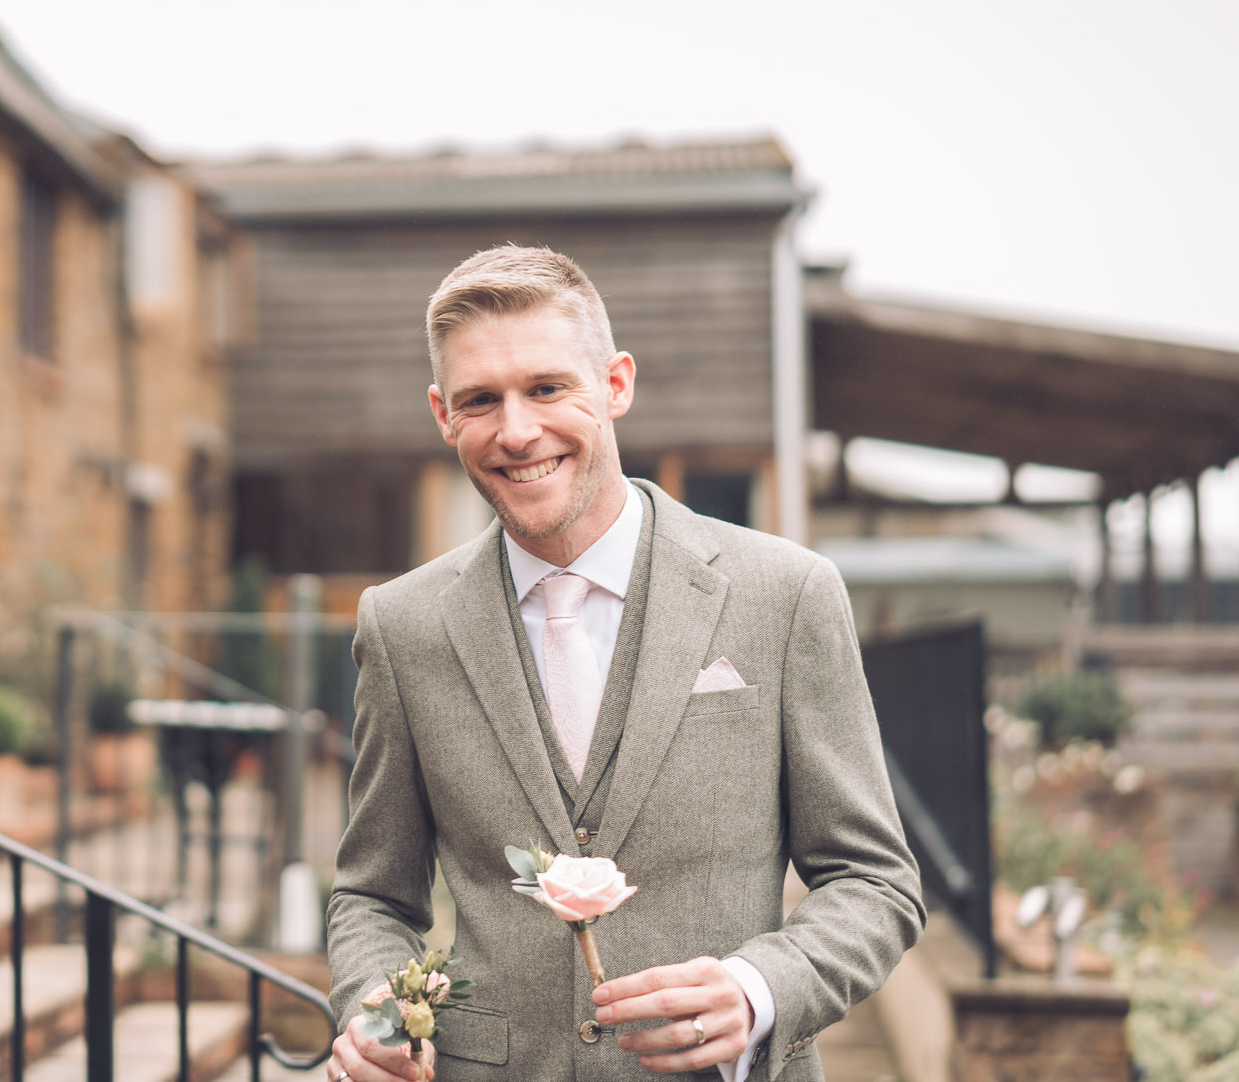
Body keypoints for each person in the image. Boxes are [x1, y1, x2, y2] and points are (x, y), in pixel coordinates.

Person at [324, 246, 922, 1081]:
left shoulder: (786, 595)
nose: (516, 430)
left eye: (546, 387)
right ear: (442, 415)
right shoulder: (404, 625)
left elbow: (874, 880)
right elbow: (372, 894)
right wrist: (379, 1010)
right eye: (480, 400)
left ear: (615, 384)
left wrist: (758, 989)